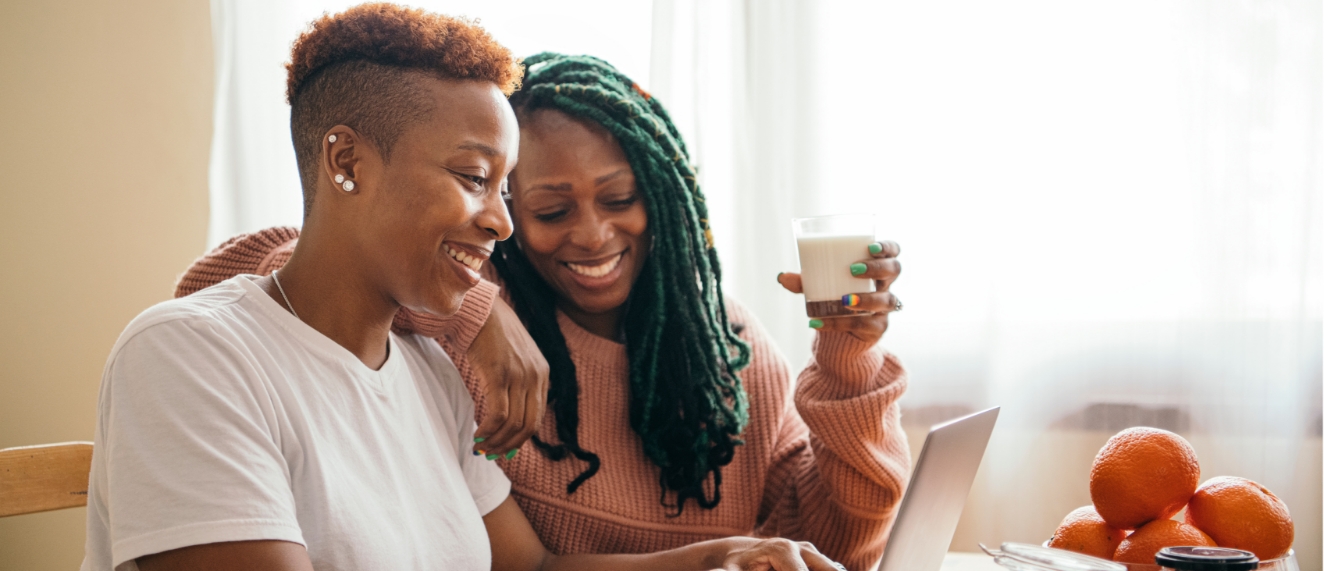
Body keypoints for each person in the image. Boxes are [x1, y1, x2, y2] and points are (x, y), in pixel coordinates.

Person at [82, 5, 840, 571]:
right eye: (476, 179)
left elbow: (534, 568)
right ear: (344, 160)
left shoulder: (433, 374)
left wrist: (726, 556)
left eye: (506, 191)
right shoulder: (186, 356)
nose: (502, 225)